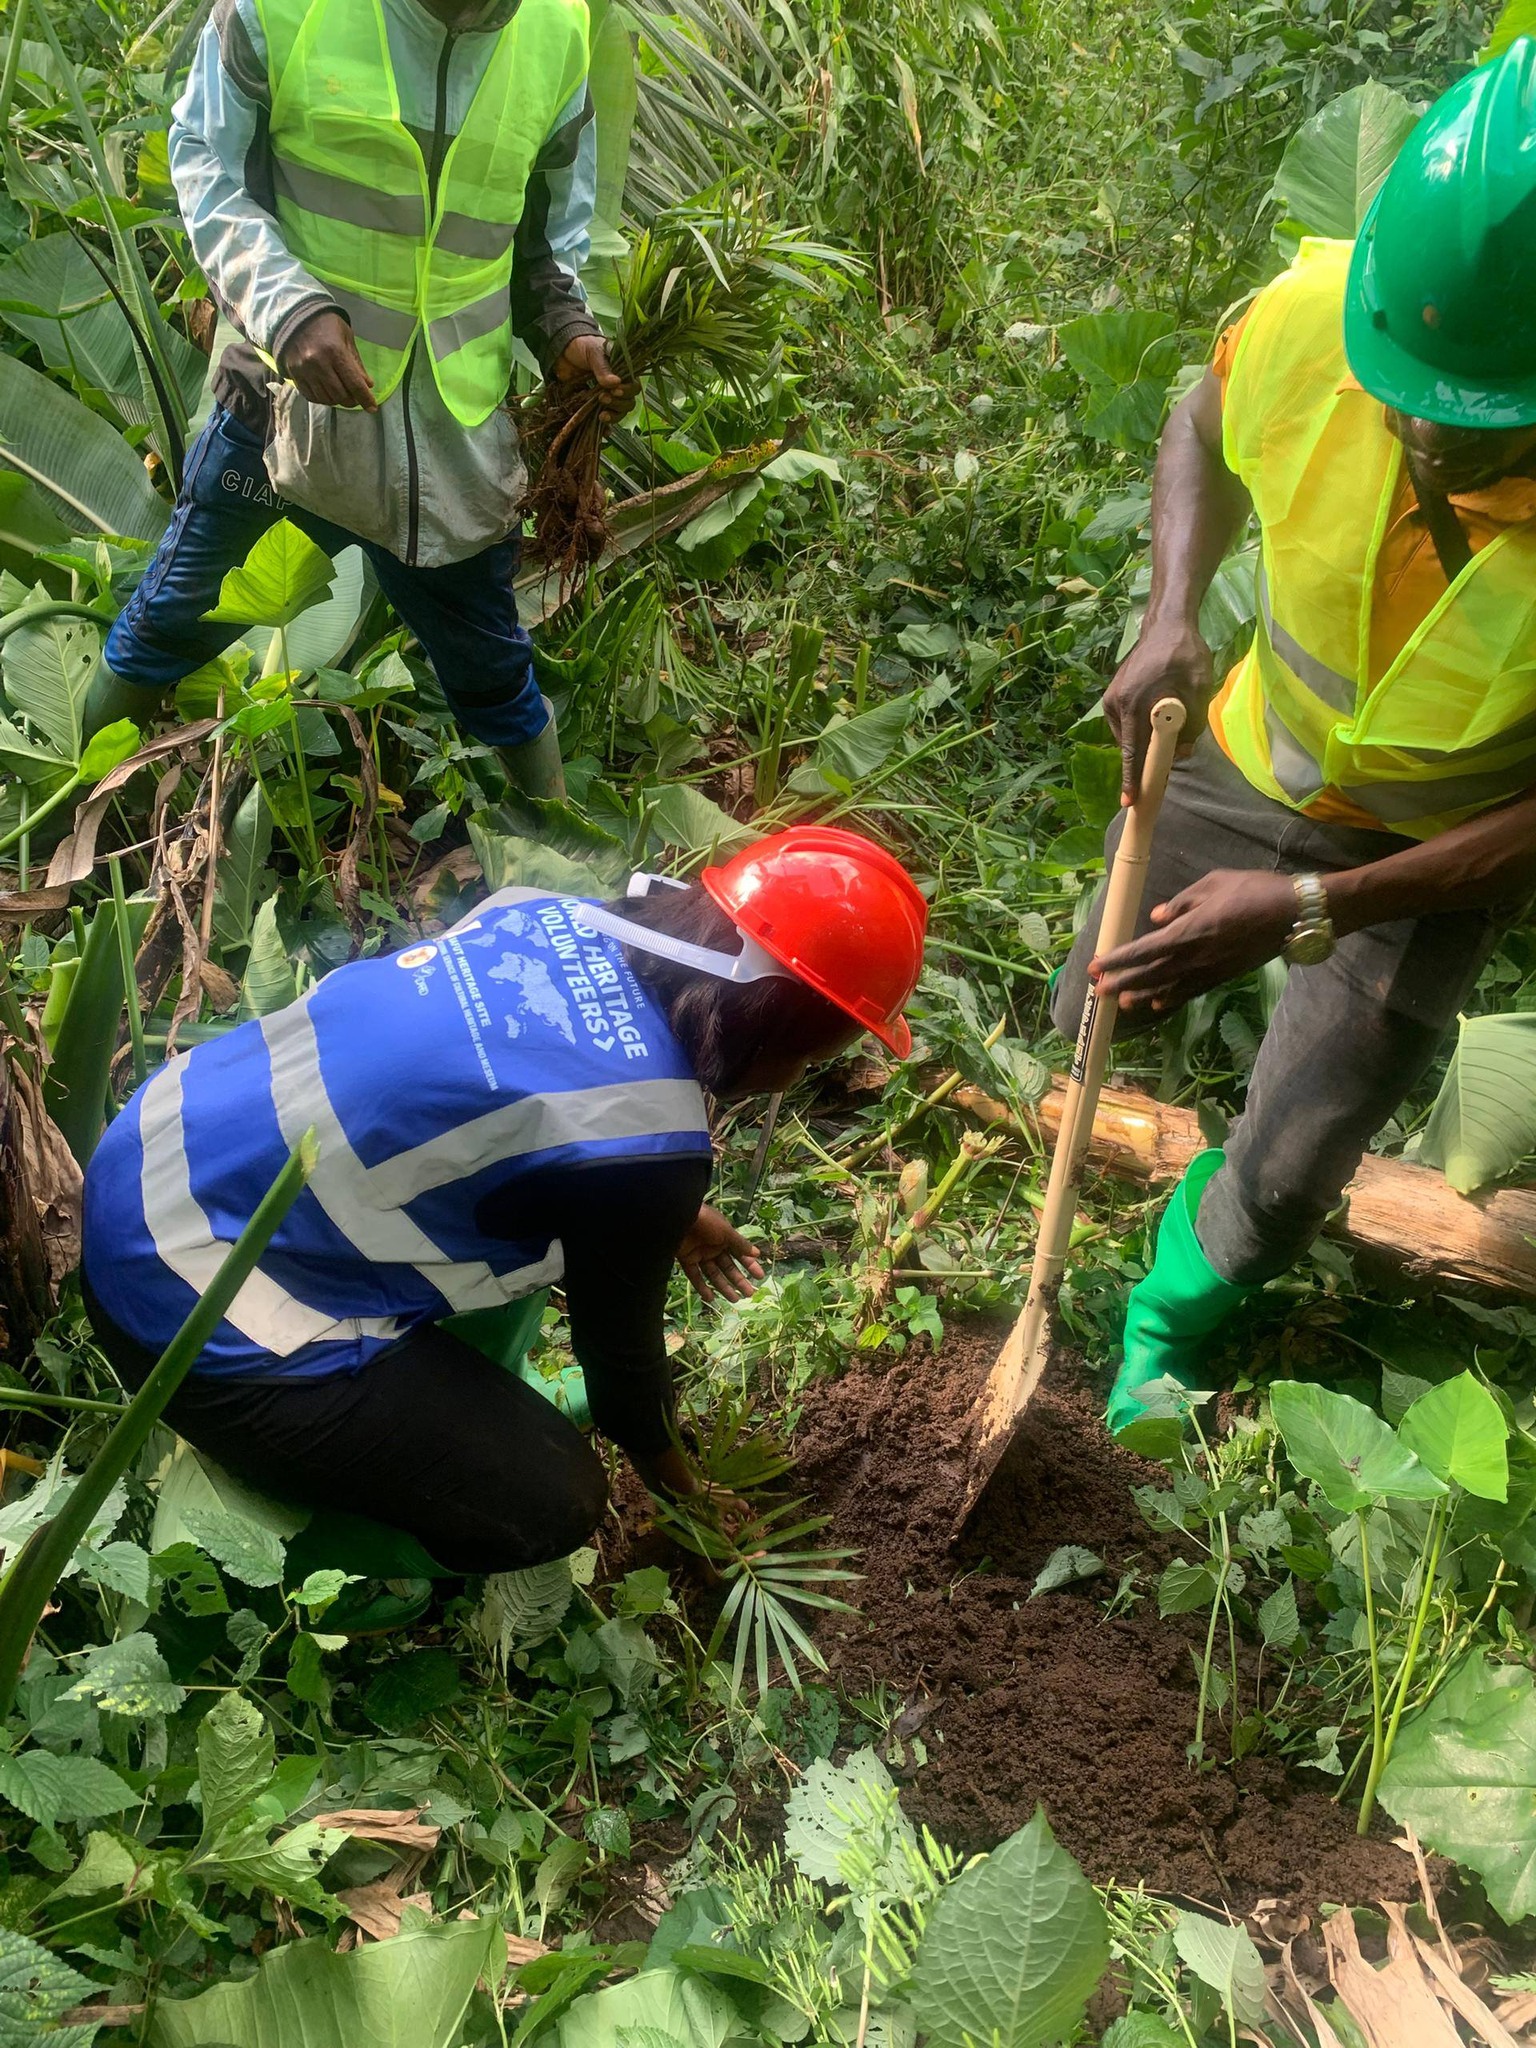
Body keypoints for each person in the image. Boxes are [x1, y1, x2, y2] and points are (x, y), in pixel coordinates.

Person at [1050, 41, 1536, 1439]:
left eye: (1476, 422)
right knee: (1097, 987)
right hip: (1251, 748)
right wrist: (1171, 611)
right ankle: (1072, 1155)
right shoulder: (1321, 311)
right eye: (1407, 386)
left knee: (1301, 1149)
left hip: (1439, 847)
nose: (1421, 436)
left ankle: (1171, 1323)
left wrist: (1317, 906)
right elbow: (1201, 415)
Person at [80, 828, 927, 1620]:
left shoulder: (546, 912)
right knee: (554, 1500)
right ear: (770, 1025)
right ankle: (300, 1568)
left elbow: (499, 1101)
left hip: (153, 1154)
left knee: (529, 1226)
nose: (792, 1081)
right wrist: (686, 1498)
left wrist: (665, 1213)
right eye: (811, 1059)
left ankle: (441, 1409)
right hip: (189, 1315)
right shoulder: (642, 1154)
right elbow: (626, 1375)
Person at [84, 0, 630, 796]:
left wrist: (565, 329)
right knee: (165, 626)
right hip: (280, 415)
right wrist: (288, 307)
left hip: (456, 437)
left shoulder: (558, 29)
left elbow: (546, 238)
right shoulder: (280, 10)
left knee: (494, 675)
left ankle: (565, 856)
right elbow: (203, 159)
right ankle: (66, 839)